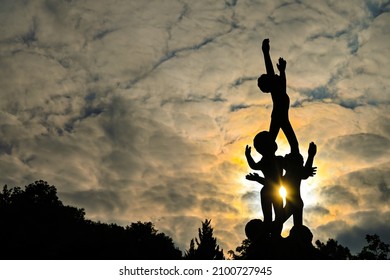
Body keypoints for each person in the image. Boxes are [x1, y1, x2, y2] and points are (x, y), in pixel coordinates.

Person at [247, 142, 317, 227]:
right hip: (293, 203)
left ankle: (270, 230)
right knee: (284, 224)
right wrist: (310, 156)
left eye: (287, 157)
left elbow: (303, 173)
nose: (285, 155)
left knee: (279, 223)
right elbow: (303, 173)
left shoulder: (290, 176)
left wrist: (310, 156)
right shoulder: (287, 176)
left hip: (292, 204)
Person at [258, 39, 299, 154]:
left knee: (290, 144)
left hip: (280, 117)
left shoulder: (280, 91)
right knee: (292, 144)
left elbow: (283, 83)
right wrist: (266, 53)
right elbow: (270, 70)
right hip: (279, 117)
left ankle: (268, 158)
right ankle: (268, 161)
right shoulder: (276, 91)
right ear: (270, 82)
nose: (274, 75)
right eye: (271, 76)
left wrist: (282, 71)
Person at [245, 131, 284, 237]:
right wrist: (248, 156)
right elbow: (254, 166)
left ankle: (276, 235)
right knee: (270, 216)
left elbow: (254, 166)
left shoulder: (279, 160)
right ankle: (270, 235)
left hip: (275, 191)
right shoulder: (268, 161)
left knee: (278, 216)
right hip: (269, 191)